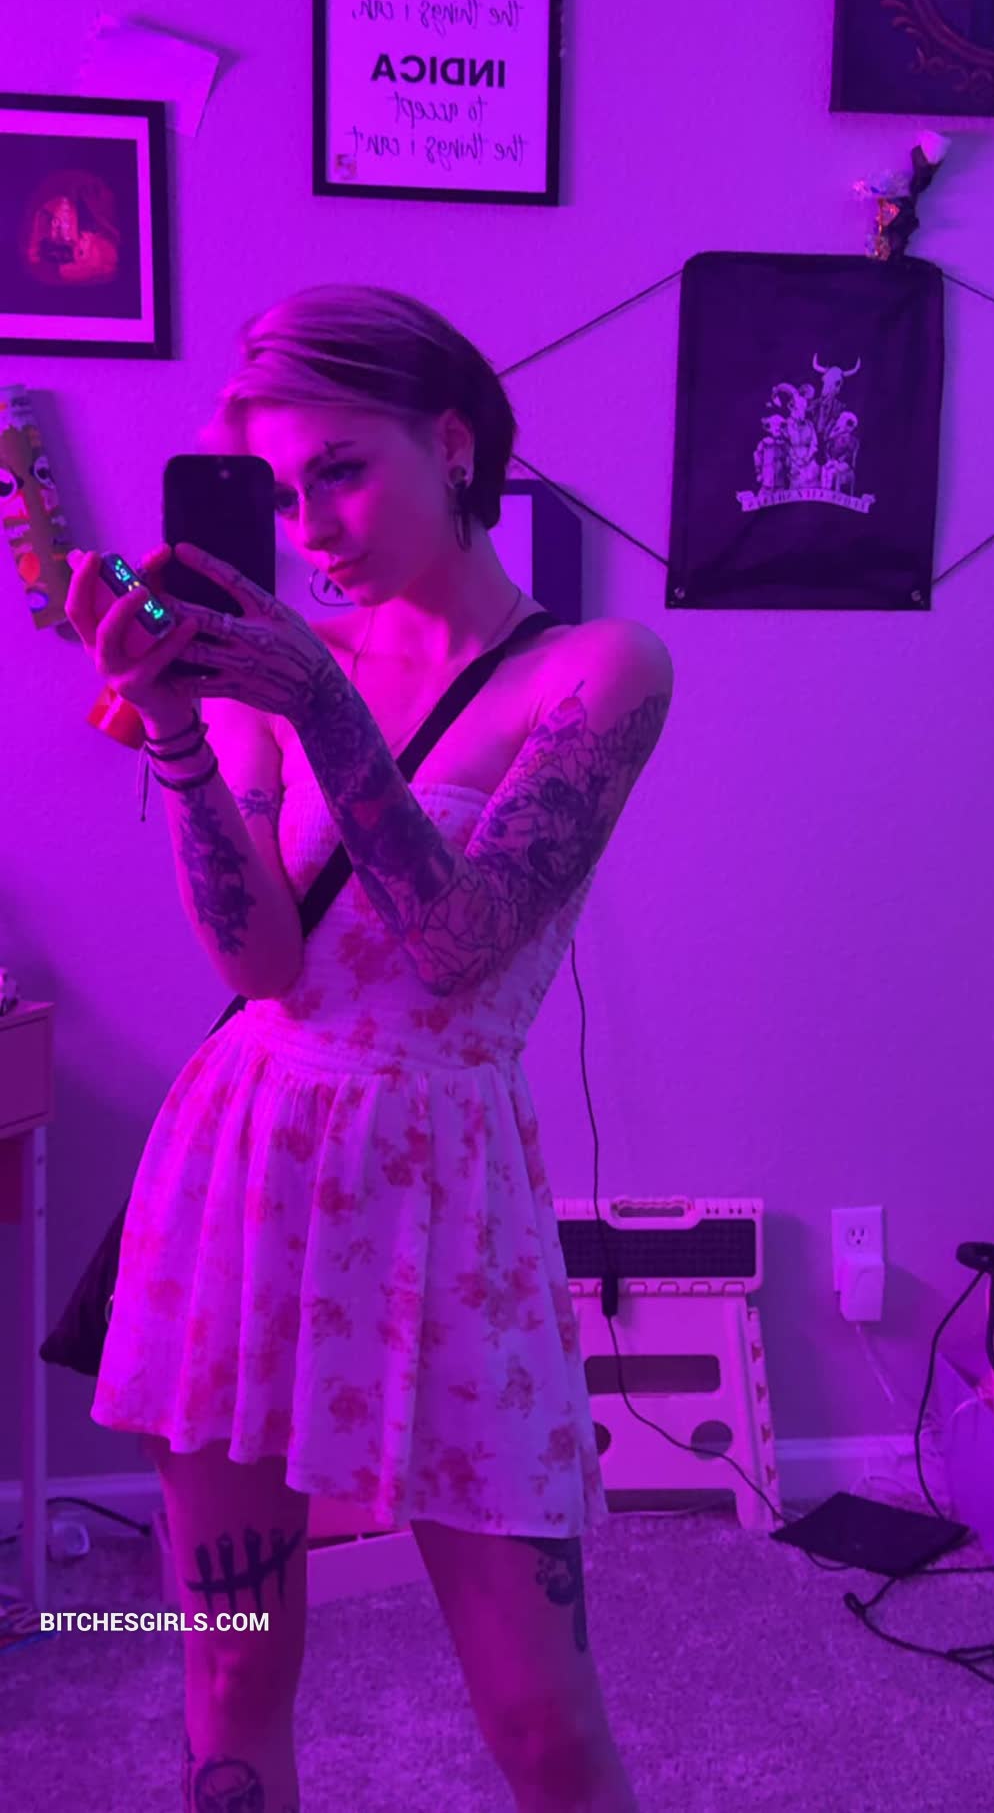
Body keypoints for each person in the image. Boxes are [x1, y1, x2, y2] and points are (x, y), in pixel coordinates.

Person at [64, 283, 674, 1813]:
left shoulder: (596, 670)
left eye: (340, 469)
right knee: (232, 1677)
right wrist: (179, 734)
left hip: (447, 1191)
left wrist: (327, 709)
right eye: (283, 492)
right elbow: (262, 963)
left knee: (543, 1721)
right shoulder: (286, 665)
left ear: (452, 443)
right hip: (243, 1165)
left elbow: (464, 954)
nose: (311, 526)